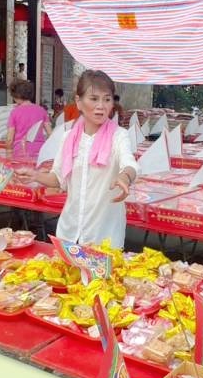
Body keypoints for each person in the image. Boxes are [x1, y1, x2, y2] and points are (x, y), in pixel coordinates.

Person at [19, 69, 136, 248]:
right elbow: (57, 178)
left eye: (107, 99)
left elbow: (130, 164)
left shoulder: (119, 136)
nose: (101, 106)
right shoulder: (68, 138)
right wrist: (35, 175)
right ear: (78, 102)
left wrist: (124, 177)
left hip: (103, 237)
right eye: (94, 98)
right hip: (69, 232)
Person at [6, 80, 51, 160]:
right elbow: (50, 134)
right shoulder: (41, 110)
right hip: (39, 152)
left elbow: (9, 139)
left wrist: (8, 153)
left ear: (16, 96)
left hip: (20, 151)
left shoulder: (14, 112)